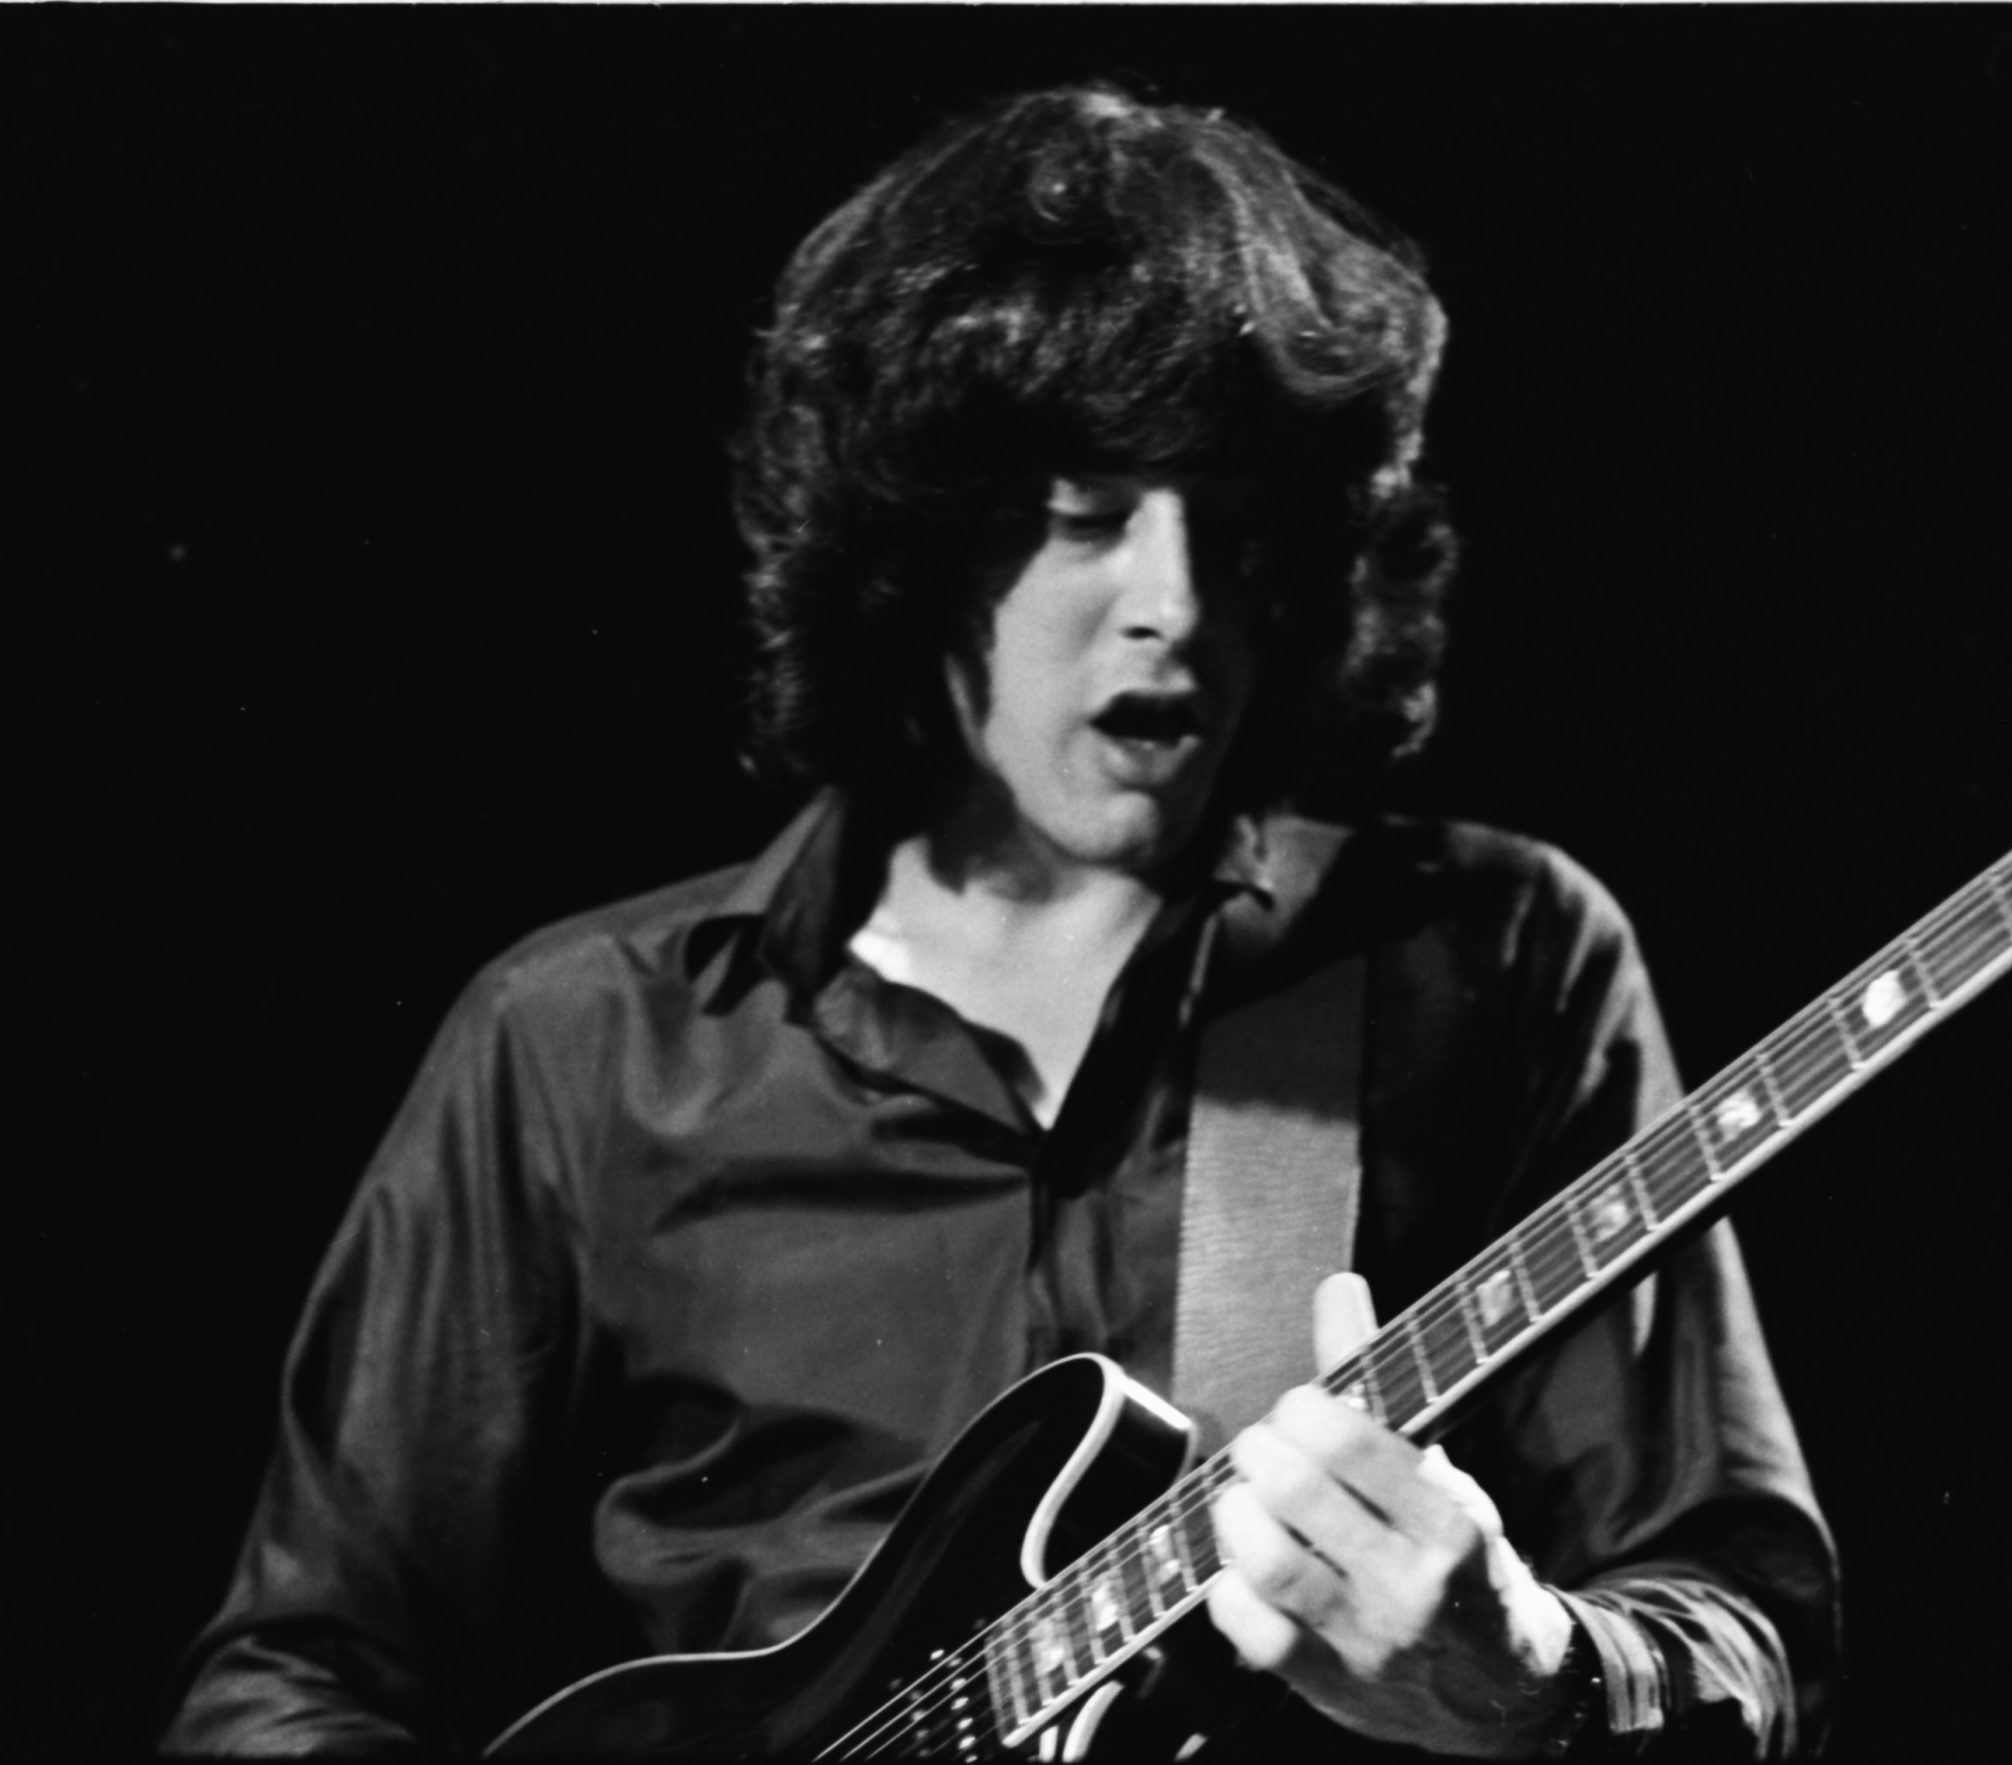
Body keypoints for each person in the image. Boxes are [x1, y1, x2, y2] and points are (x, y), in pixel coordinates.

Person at [164, 87, 1837, 1759]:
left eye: (1233, 524)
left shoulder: (1492, 959)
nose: (1174, 602)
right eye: (1089, 512)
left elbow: (1743, 1620)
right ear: (922, 546)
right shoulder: (586, 1043)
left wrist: (1532, 1673)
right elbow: (292, 1678)